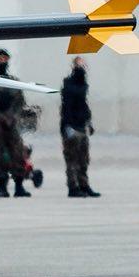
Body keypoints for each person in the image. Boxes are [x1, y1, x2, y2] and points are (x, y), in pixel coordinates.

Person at [0, 48, 32, 198]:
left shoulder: (13, 81)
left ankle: (19, 186)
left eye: (4, 58)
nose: (1, 61)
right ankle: (2, 187)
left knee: (18, 154)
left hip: (12, 123)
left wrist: (13, 116)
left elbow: (20, 102)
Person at [60, 56, 99, 197]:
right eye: (79, 65)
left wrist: (89, 122)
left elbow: (84, 105)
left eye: (83, 65)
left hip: (82, 126)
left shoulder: (83, 85)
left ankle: (84, 185)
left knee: (83, 159)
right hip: (71, 126)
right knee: (72, 160)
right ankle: (73, 187)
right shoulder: (69, 85)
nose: (81, 68)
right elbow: (66, 108)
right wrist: (67, 126)